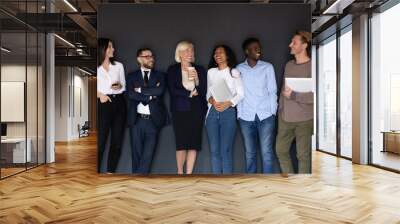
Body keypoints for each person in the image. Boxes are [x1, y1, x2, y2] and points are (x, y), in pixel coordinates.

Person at [236, 37, 279, 174]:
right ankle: (251, 183)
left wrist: (273, 112)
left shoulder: (267, 67)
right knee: (250, 153)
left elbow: (273, 91)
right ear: (247, 51)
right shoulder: (239, 69)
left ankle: (267, 184)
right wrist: (240, 114)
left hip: (266, 116)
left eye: (259, 47)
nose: (258, 50)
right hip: (246, 117)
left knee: (266, 152)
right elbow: (238, 93)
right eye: (254, 48)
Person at [167, 41, 207, 175]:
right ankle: (179, 172)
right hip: (179, 111)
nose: (190, 53)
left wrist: (196, 81)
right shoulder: (173, 69)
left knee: (194, 143)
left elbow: (203, 91)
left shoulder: (199, 69)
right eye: (186, 51)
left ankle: (189, 174)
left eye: (191, 51)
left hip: (197, 110)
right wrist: (189, 93)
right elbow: (173, 90)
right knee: (181, 143)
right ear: (179, 53)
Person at [276, 31, 313, 174]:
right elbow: (283, 90)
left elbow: (315, 96)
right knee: (280, 151)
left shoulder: (313, 66)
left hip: (305, 120)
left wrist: (294, 95)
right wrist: (281, 109)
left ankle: (302, 188)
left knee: (303, 156)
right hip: (285, 118)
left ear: (304, 45)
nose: (290, 45)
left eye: (294, 42)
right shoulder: (289, 65)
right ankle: (291, 182)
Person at [126, 48, 168, 174]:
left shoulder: (160, 75)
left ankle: (138, 181)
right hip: (136, 120)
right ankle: (138, 184)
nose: (151, 59)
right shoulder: (131, 76)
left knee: (147, 156)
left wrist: (140, 90)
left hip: (153, 121)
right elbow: (130, 94)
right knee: (136, 155)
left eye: (152, 56)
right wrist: (150, 95)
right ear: (139, 59)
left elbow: (159, 91)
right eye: (147, 56)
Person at [206, 45, 244, 174]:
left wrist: (228, 103)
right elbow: (207, 94)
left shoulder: (234, 72)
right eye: (215, 52)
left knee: (225, 150)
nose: (217, 54)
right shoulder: (211, 72)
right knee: (214, 151)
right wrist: (212, 100)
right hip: (212, 113)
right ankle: (217, 183)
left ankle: (226, 183)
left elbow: (240, 94)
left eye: (221, 52)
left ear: (227, 55)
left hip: (228, 113)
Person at [97, 38, 126, 173]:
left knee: (117, 142)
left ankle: (110, 173)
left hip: (119, 102)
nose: (113, 49)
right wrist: (99, 95)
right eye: (110, 47)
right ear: (103, 49)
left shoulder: (118, 66)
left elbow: (123, 85)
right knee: (101, 141)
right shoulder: (96, 68)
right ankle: (96, 171)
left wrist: (119, 86)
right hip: (104, 104)